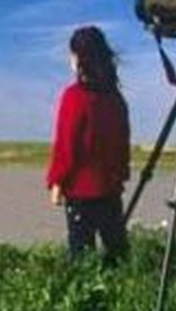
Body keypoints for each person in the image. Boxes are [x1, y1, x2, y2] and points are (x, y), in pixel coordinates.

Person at [46, 25, 132, 263]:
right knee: (117, 253)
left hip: (80, 191)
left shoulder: (74, 97)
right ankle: (122, 284)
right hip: (110, 189)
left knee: (81, 256)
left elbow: (66, 145)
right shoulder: (115, 98)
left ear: (79, 58)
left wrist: (57, 182)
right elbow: (123, 143)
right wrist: (121, 175)